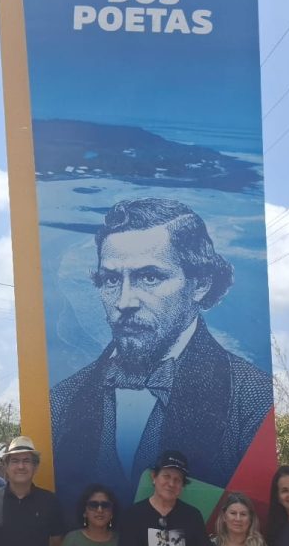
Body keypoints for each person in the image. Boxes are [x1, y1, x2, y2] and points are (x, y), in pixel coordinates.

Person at [49, 198, 274, 509]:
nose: (124, 301)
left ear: (200, 283)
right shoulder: (61, 402)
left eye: (149, 277)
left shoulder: (253, 399)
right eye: (111, 280)